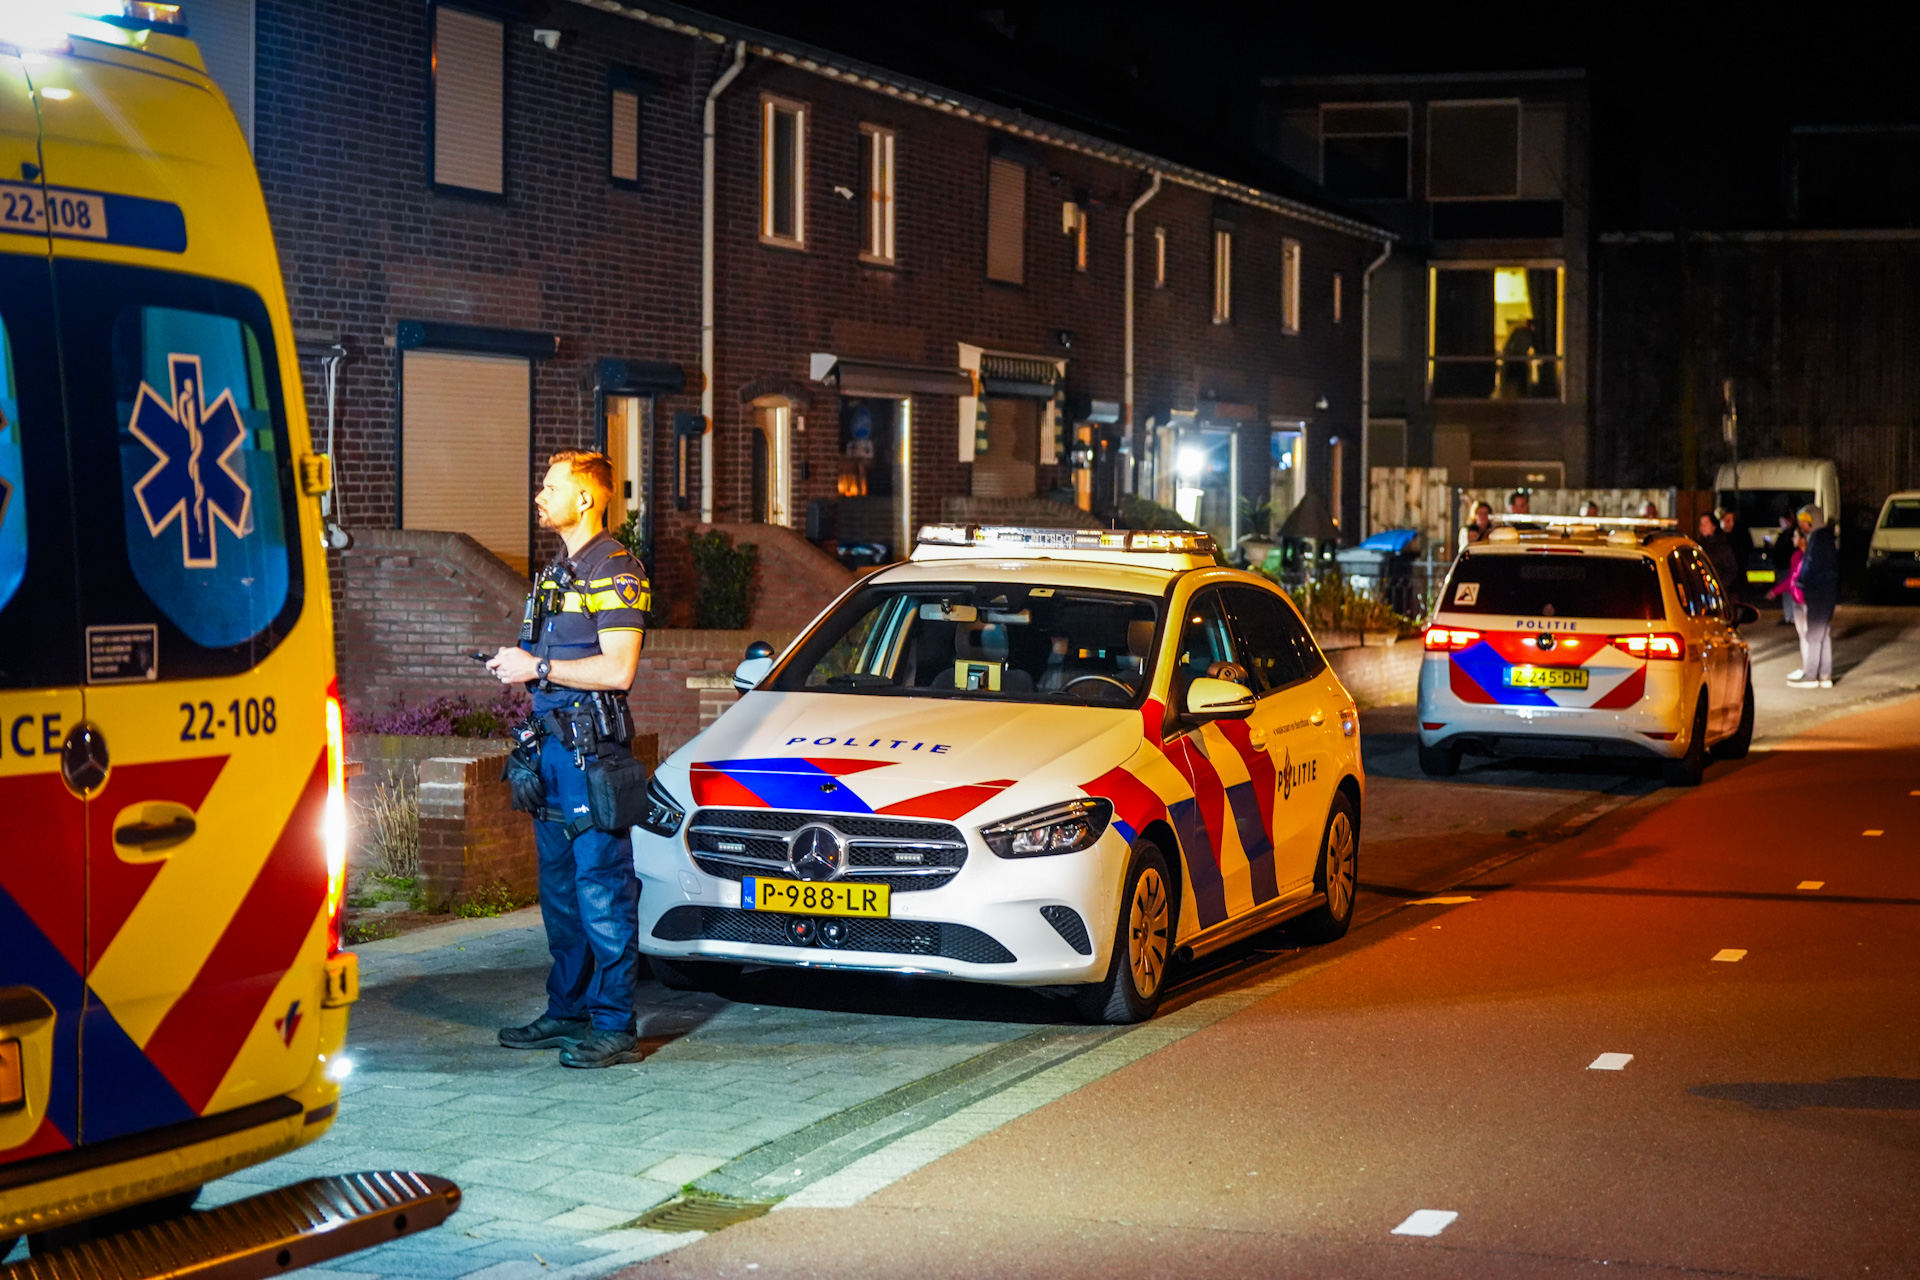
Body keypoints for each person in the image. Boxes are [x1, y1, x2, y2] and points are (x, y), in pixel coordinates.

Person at [488, 450, 651, 1068]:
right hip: (551, 751)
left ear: (586, 498)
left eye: (551, 486)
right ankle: (567, 1011)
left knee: (602, 889)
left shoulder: (616, 568)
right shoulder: (558, 573)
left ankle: (615, 1025)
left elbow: (619, 668)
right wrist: (522, 671)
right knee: (559, 892)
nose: (539, 495)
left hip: (591, 754)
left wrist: (541, 666)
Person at [1790, 504, 1839, 688]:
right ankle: (1825, 675)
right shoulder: (1825, 538)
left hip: (1818, 593)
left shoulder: (1818, 539)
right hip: (1827, 593)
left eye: (1804, 522)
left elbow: (1810, 567)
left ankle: (1811, 676)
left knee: (1813, 636)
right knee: (1823, 635)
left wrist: (1801, 583)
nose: (1802, 526)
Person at [1697, 512, 1740, 598]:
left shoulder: (1722, 546)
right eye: (1701, 524)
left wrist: (1719, 585)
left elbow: (1731, 570)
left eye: (1706, 523)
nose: (1703, 527)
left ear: (1713, 526)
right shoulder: (1697, 546)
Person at [1767, 514, 1797, 626]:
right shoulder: (1784, 534)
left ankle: (1791, 617)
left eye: (1782, 521)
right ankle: (1789, 616)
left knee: (1788, 591)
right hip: (1782, 565)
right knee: (1786, 592)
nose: (1781, 524)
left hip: (1786, 566)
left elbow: (1784, 550)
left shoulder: (1789, 535)